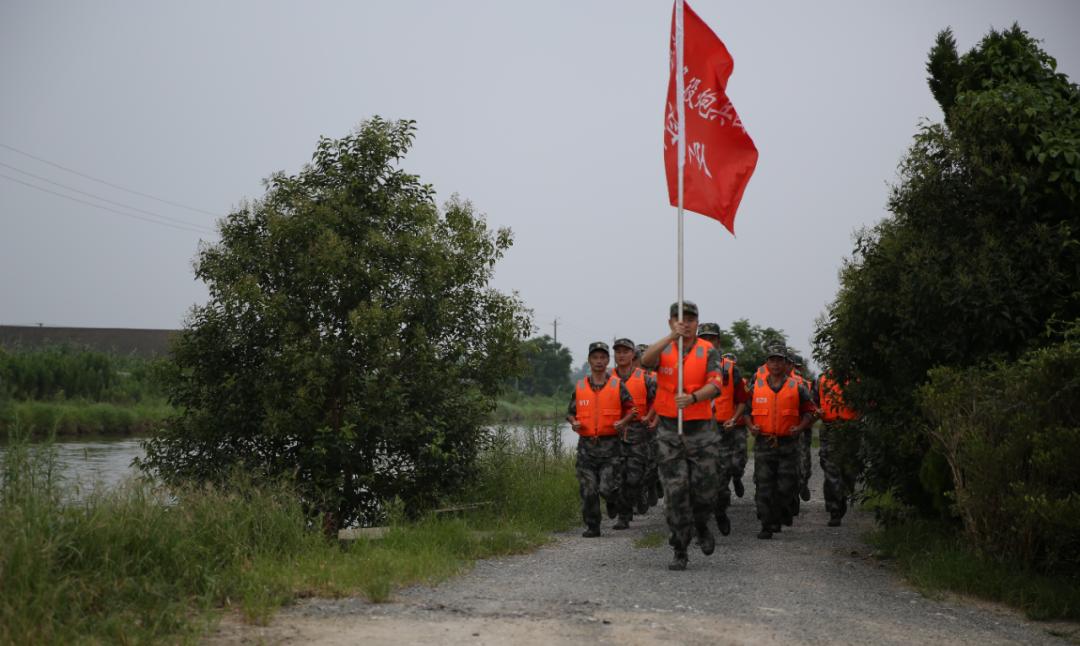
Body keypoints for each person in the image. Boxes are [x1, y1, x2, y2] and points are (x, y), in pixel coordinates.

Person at [640, 301, 723, 570]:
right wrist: (670, 337)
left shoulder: (707, 351)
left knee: (704, 491)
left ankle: (701, 525)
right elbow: (645, 360)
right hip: (669, 430)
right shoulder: (665, 349)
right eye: (680, 319)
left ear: (697, 322)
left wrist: (693, 397)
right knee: (675, 493)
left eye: (690, 319)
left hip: (701, 431)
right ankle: (680, 549)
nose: (685, 324)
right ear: (671, 322)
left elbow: (716, 384)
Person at [745, 343, 818, 539]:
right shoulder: (756, 387)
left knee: (786, 486)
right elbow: (744, 410)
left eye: (779, 360)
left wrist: (800, 427)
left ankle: (780, 514)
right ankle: (766, 525)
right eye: (772, 360)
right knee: (764, 485)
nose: (775, 364)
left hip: (788, 444)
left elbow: (811, 411)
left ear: (786, 364)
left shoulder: (797, 387)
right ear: (766, 363)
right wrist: (751, 426)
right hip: (764, 444)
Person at [566, 342, 637, 537]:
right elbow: (570, 413)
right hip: (586, 449)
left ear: (607, 361)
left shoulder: (617, 385)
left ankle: (615, 501)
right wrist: (574, 423)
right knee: (588, 490)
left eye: (603, 357)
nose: (599, 361)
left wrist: (623, 422)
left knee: (607, 489)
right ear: (589, 360)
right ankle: (593, 526)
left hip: (611, 448)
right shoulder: (580, 386)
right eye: (595, 357)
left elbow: (633, 409)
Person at [696, 323, 749, 537]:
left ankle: (720, 511)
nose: (709, 343)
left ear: (718, 341)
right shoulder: (688, 367)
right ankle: (701, 528)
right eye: (704, 338)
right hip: (699, 431)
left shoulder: (729, 368)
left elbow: (742, 399)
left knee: (724, 478)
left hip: (725, 429)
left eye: (713, 339)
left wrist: (735, 419)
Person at [611, 338, 657, 528]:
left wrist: (651, 417)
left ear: (633, 355)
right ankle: (623, 514)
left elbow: (658, 400)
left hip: (639, 431)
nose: (621, 355)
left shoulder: (645, 378)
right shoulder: (607, 378)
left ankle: (638, 497)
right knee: (614, 476)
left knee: (634, 477)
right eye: (618, 352)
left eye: (625, 352)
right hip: (613, 432)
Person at [815, 369, 860, 526]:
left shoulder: (857, 379)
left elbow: (870, 402)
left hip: (850, 428)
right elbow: (813, 402)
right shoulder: (822, 379)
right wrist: (816, 411)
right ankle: (834, 510)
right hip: (829, 428)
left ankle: (844, 495)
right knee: (830, 470)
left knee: (849, 471)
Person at [787, 350, 816, 504]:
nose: (796, 370)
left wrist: (806, 423)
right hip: (785, 428)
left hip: (802, 429)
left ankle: (802, 484)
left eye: (797, 367)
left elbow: (811, 407)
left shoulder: (803, 383)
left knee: (803, 463)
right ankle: (791, 495)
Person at [722, 351, 751, 499]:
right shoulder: (714, 380)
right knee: (722, 459)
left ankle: (737, 477)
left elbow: (748, 403)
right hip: (721, 424)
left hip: (738, 425)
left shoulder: (743, 383)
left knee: (740, 457)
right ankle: (724, 486)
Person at [637, 342, 662, 510]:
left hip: (655, 426)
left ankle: (653, 484)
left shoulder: (655, 378)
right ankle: (640, 496)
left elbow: (660, 402)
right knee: (636, 463)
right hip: (635, 428)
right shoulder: (627, 377)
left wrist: (654, 420)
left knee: (653, 462)